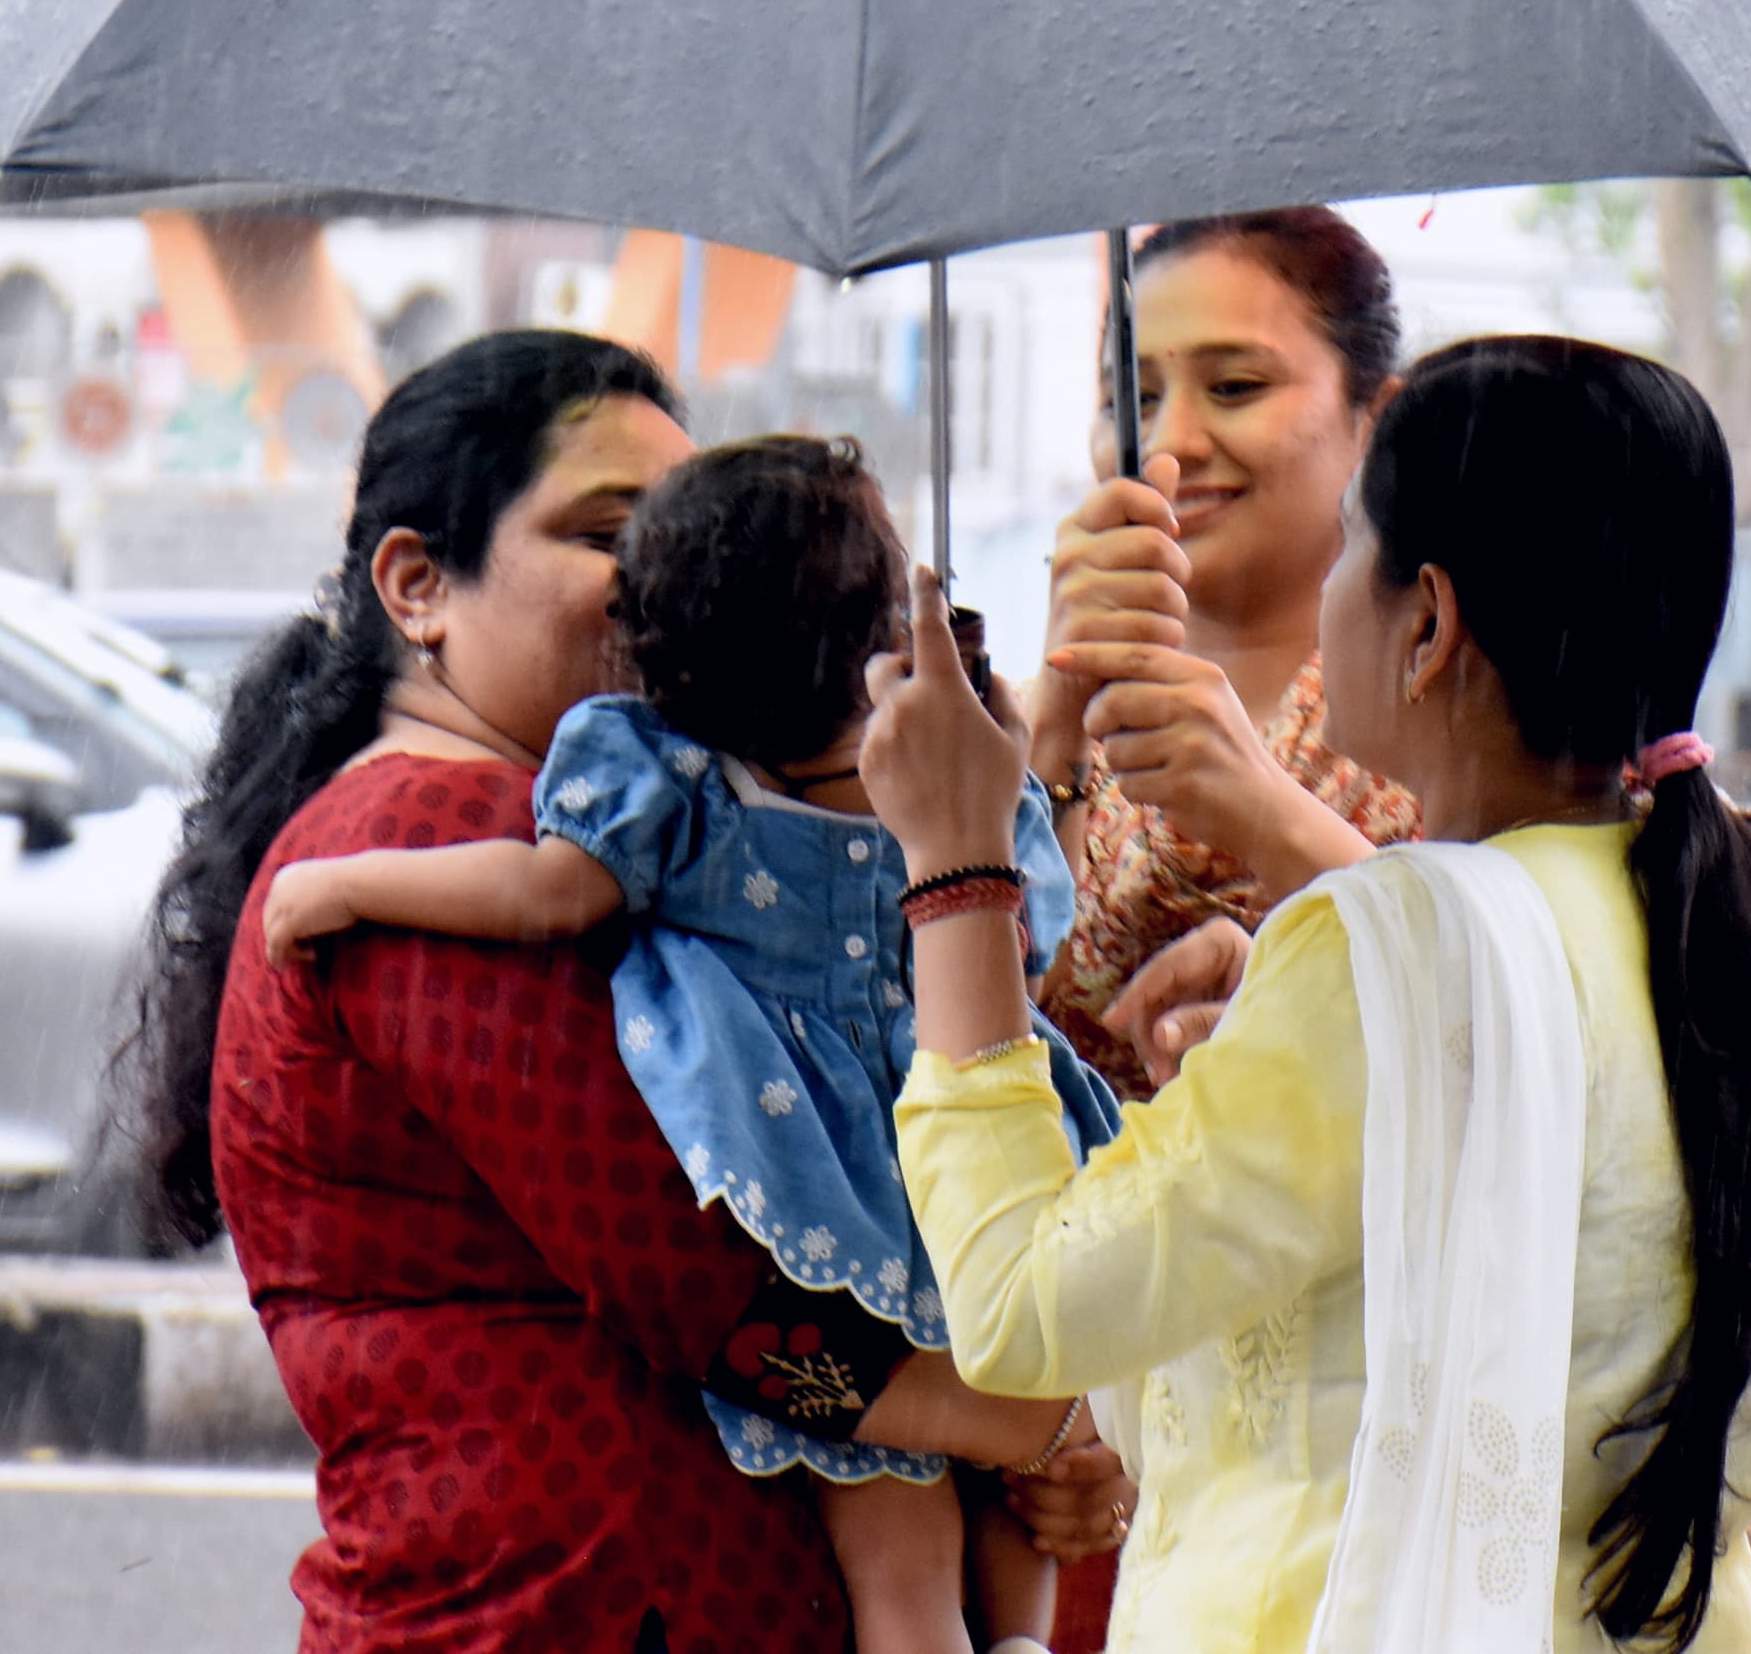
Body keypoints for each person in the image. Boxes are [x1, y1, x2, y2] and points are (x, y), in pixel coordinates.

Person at [870, 337, 1751, 1654]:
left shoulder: (1392, 950)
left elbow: (1023, 1307)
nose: (1326, 591)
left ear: (1426, 620)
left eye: (1350, 543)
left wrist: (959, 864)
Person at [126, 334, 1118, 1654]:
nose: (664, 574)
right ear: (419, 585)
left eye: (684, 527)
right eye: (607, 532)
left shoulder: (635, 832)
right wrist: (1040, 1416)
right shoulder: (429, 835)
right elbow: (695, 1269)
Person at [1028, 210, 1418, 1096]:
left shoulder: (1453, 706)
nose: (1170, 445)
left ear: (1376, 418)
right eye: (1131, 398)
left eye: (1235, 387)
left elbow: (1518, 1007)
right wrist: (1051, 734)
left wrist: (1268, 817)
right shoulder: (1029, 719)